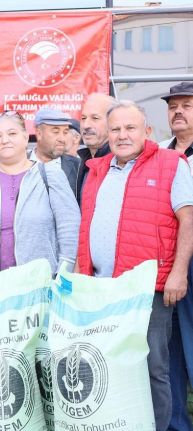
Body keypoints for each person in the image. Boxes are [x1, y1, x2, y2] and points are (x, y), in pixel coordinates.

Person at [77, 100, 193, 431]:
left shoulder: (171, 163)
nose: (122, 135)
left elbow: (188, 220)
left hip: (149, 289)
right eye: (115, 129)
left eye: (130, 128)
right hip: (103, 287)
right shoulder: (97, 169)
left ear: (147, 131)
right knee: (109, 367)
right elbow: (86, 226)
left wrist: (178, 273)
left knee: (153, 367)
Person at [0, 111, 80, 277]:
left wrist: (63, 274)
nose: (5, 140)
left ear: (25, 137)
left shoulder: (50, 175)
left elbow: (69, 228)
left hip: (42, 284)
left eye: (12, 133)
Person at [158, 82, 193, 431]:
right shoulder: (159, 153)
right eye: (173, 106)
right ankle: (176, 425)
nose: (178, 111)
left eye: (187, 105)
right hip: (169, 261)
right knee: (169, 351)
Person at [30, 107, 81, 196]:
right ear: (39, 134)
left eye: (65, 132)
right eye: (55, 132)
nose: (62, 139)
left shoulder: (79, 167)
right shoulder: (17, 164)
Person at [76, 93, 117, 202]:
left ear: (113, 122)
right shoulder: (82, 162)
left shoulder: (122, 163)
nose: (86, 125)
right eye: (83, 118)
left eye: (95, 118)